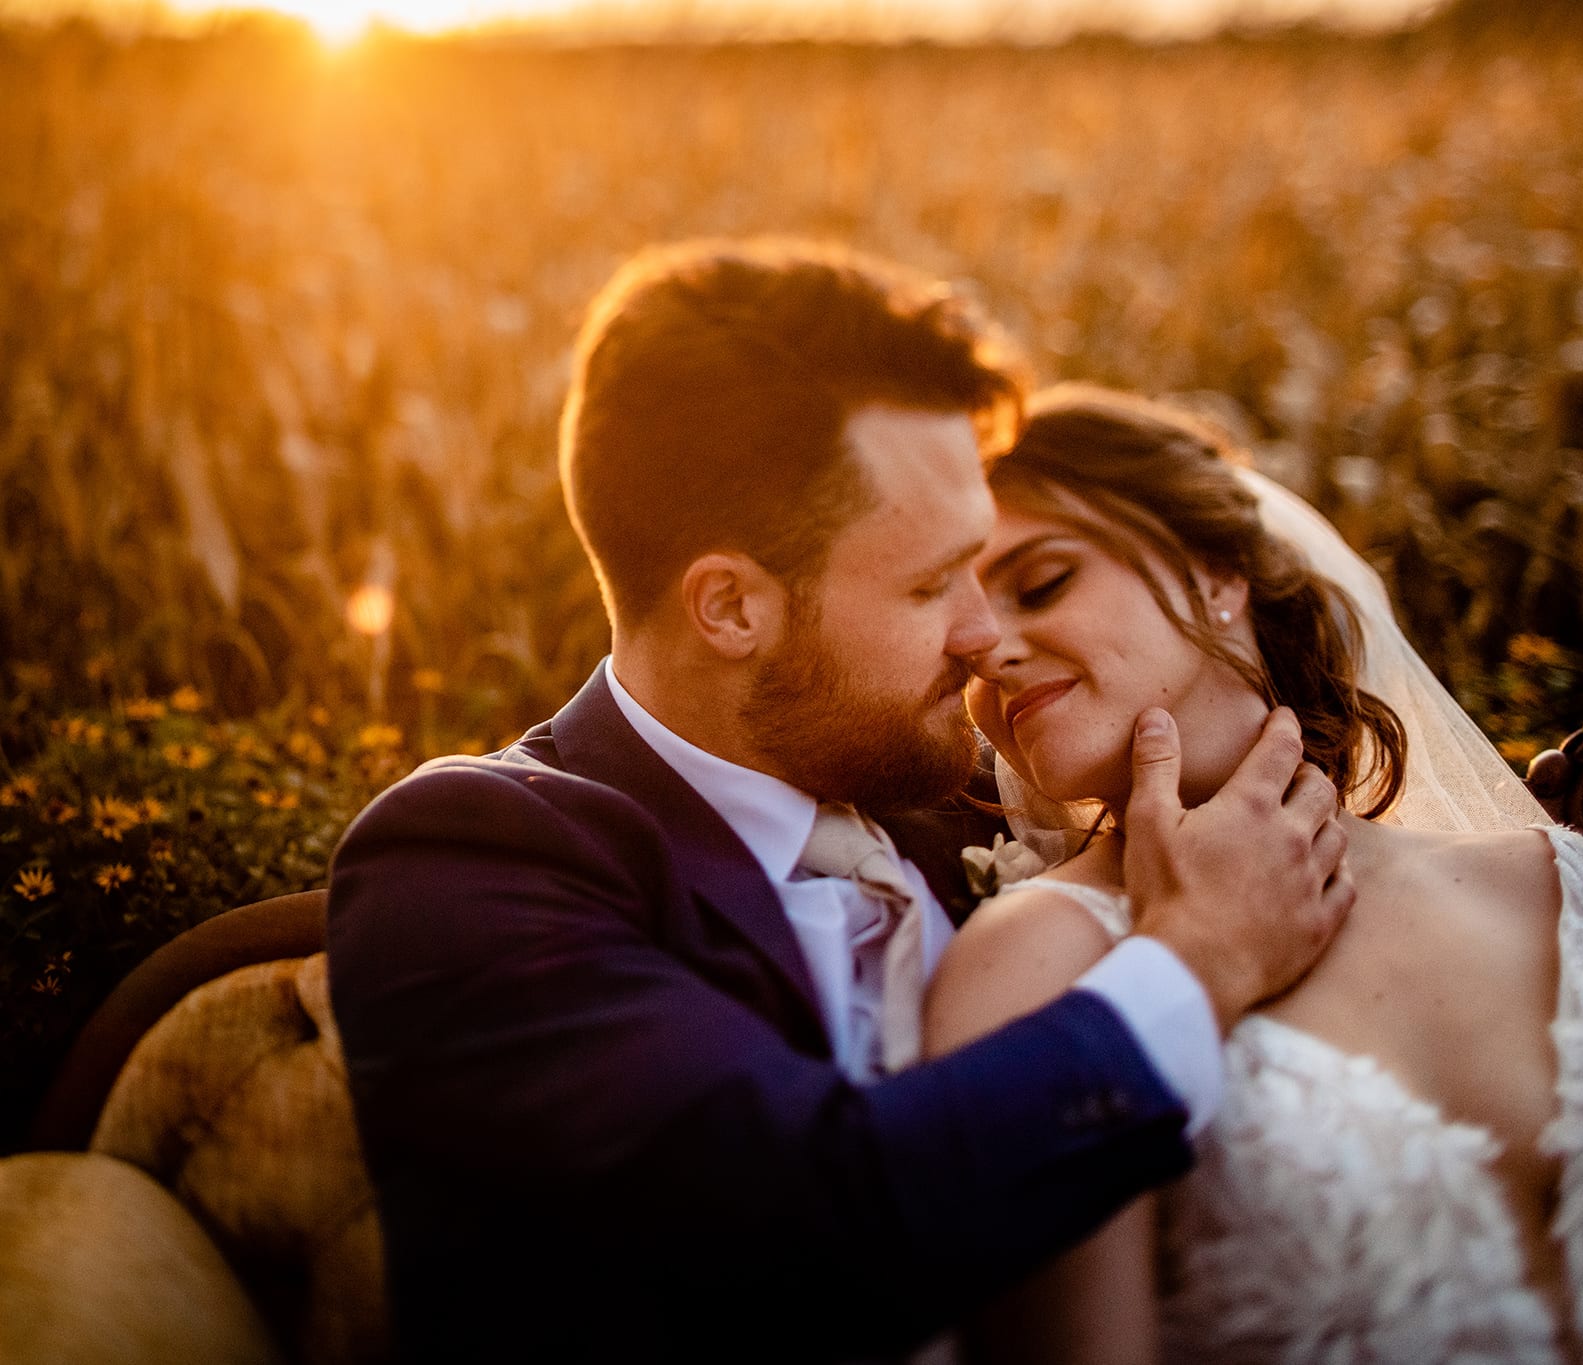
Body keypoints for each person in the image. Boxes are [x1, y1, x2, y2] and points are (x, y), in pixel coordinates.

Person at [324, 241, 1356, 1363]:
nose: (980, 637)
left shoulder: (961, 807)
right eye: (928, 585)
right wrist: (1198, 962)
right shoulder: (473, 865)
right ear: (730, 609)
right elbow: (802, 1234)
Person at [926, 385, 1583, 1364]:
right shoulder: (1032, 966)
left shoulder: (1567, 890)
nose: (991, 652)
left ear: (1216, 572)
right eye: (959, 633)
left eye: (1044, 579)